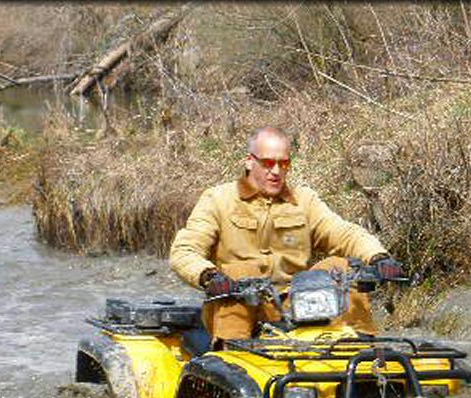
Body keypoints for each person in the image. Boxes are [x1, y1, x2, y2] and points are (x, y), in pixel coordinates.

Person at [168, 126, 405, 343]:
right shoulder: (218, 199)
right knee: (241, 271)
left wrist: (378, 257)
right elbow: (185, 251)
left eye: (283, 164)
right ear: (250, 162)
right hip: (237, 306)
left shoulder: (304, 200)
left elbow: (343, 232)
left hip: (300, 304)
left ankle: (365, 349)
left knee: (341, 268)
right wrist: (209, 276)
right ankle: (231, 356)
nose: (276, 171)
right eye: (268, 163)